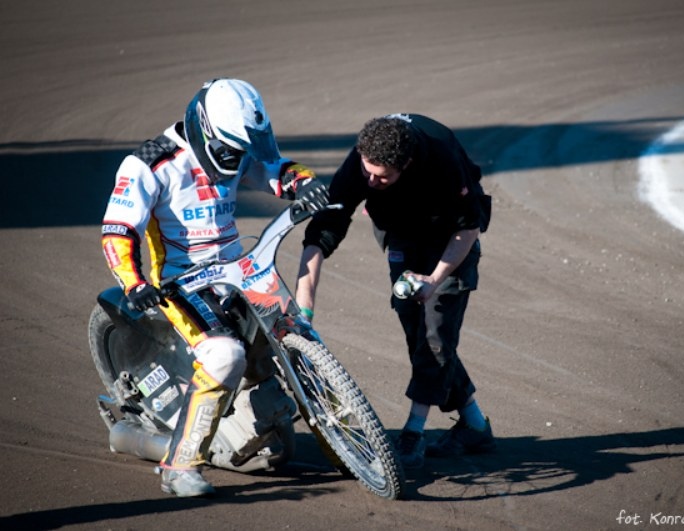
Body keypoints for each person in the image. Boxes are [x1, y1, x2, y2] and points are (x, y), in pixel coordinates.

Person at [100, 78, 328, 497]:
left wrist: (305, 183)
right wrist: (133, 283)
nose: (237, 160)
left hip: (238, 268)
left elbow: (275, 169)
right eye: (231, 151)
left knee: (295, 331)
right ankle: (179, 467)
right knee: (225, 355)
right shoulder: (148, 164)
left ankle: (343, 439)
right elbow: (118, 230)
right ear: (205, 129)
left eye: (242, 151)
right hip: (180, 282)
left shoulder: (234, 145)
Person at [295, 113, 495, 470]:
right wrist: (304, 309)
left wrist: (434, 279)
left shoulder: (442, 158)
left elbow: (468, 228)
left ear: (407, 163)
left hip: (449, 239)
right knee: (418, 332)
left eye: (382, 177)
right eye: (367, 172)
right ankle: (475, 425)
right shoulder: (361, 164)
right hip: (401, 233)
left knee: (435, 335)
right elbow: (325, 227)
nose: (371, 182)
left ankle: (413, 433)